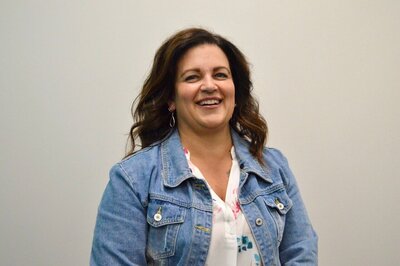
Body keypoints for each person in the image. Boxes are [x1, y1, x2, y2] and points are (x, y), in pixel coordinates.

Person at [90, 28, 318, 266]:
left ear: (235, 91)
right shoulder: (132, 179)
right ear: (171, 98)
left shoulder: (273, 167)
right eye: (192, 77)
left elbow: (301, 255)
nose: (209, 86)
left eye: (220, 75)